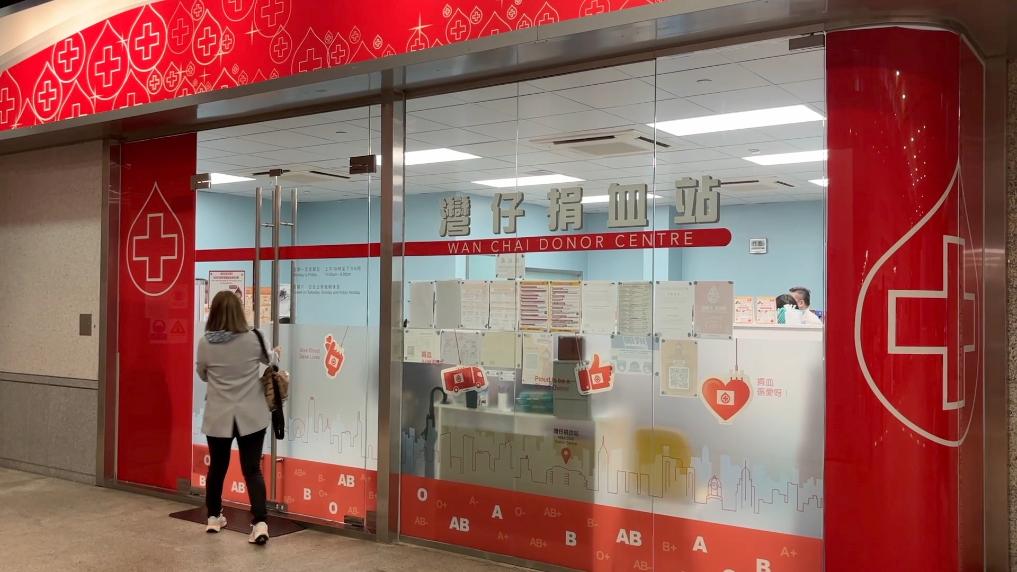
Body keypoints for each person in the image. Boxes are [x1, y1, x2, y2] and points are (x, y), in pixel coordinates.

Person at [196, 290, 281, 545]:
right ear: (239, 312)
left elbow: (203, 374)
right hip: (251, 416)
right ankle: (260, 523)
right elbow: (271, 360)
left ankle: (214, 517)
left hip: (219, 416)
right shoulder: (254, 338)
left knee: (217, 468)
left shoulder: (205, 343)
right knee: (252, 469)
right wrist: (276, 352)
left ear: (214, 313)